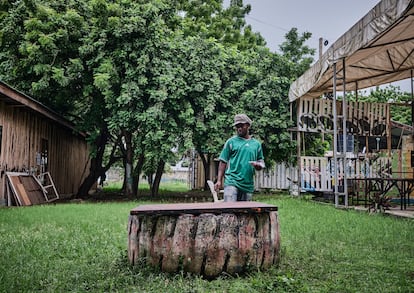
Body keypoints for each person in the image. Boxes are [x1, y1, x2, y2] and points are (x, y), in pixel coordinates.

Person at [214, 114, 265, 201]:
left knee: (244, 213)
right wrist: (219, 180)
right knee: (229, 212)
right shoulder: (231, 142)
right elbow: (223, 161)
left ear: (248, 125)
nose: (239, 129)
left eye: (241, 125)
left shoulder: (256, 144)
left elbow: (261, 162)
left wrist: (258, 166)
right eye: (237, 126)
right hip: (232, 182)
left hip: (247, 185)